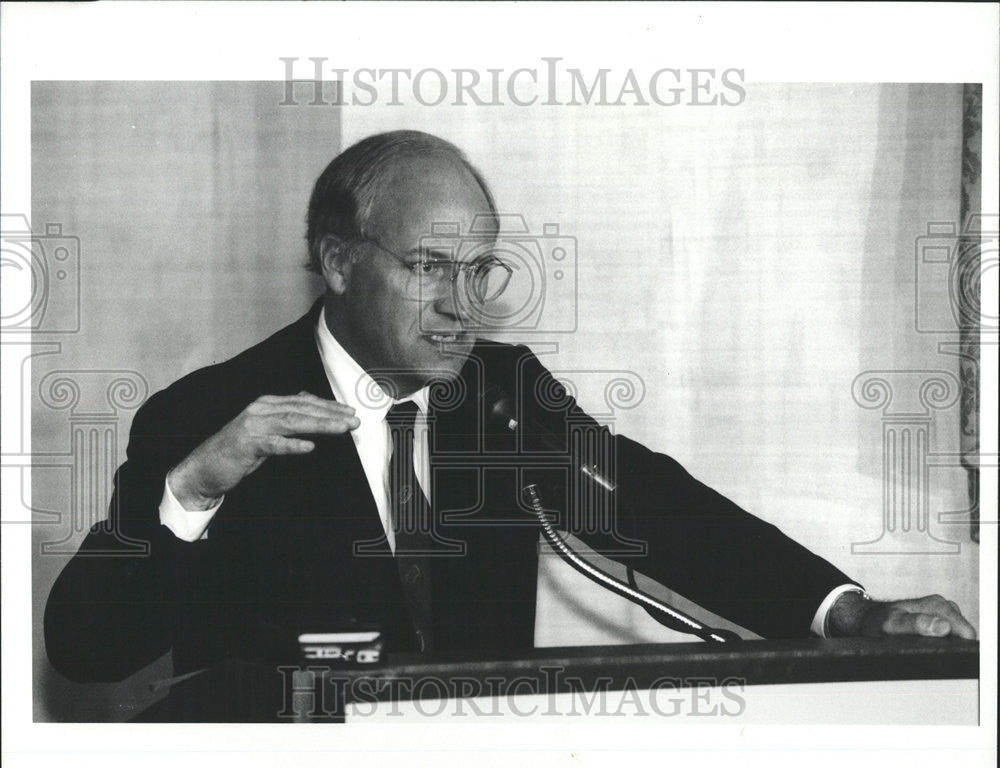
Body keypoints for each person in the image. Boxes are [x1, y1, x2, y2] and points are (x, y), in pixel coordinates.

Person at [44, 130, 976, 695]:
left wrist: (846, 614)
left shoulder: (503, 392)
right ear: (338, 263)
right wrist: (192, 490)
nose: (463, 304)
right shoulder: (207, 415)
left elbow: (656, 512)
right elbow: (87, 649)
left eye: (479, 267)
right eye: (428, 267)